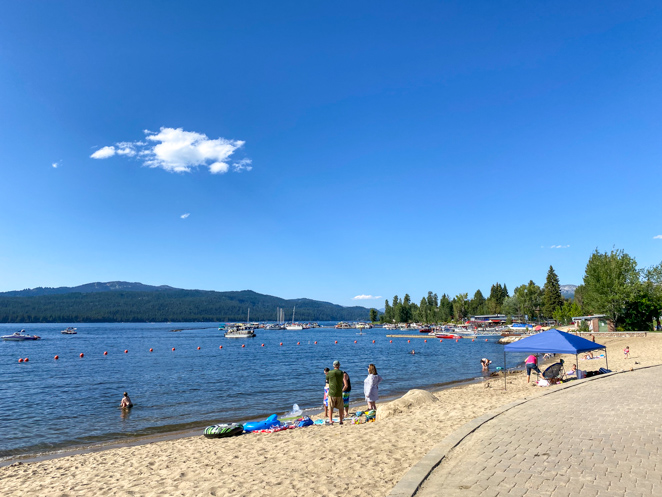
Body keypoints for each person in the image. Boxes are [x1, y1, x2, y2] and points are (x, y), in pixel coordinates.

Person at [326, 360, 344, 425]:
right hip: (339, 392)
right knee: (340, 407)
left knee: (330, 407)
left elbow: (327, 378)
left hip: (332, 392)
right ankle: (341, 420)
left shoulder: (330, 372)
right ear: (339, 365)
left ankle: (330, 420)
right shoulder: (341, 372)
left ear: (333, 366)